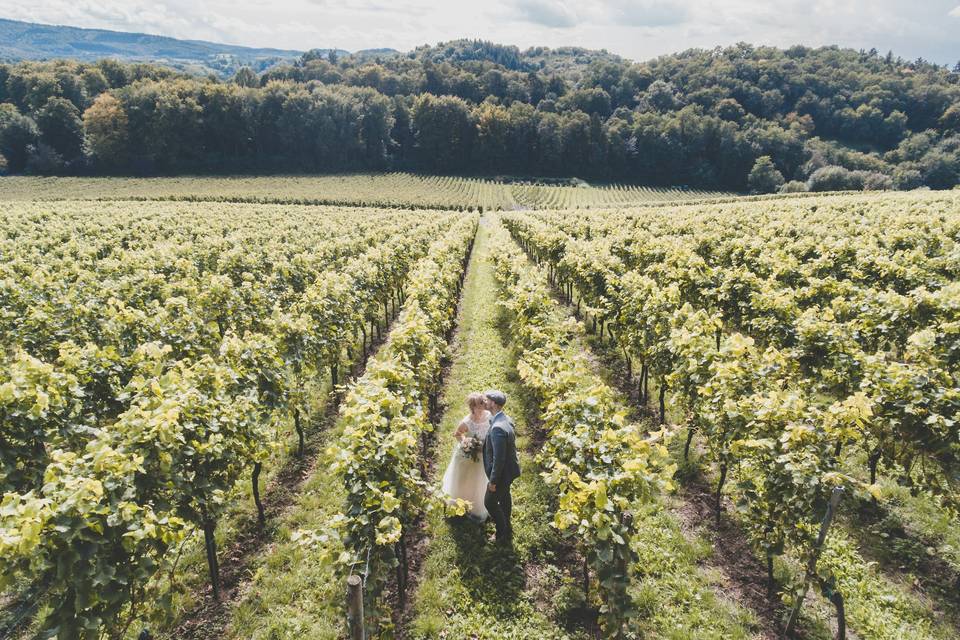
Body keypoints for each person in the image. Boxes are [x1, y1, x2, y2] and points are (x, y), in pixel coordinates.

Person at [441, 392, 491, 520]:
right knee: (465, 479)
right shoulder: (467, 421)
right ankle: (461, 502)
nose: (482, 408)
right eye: (479, 405)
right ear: (472, 407)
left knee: (479, 480)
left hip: (483, 454)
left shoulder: (489, 416)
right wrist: (466, 442)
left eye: (483, 404)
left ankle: (477, 506)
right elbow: (458, 433)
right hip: (469, 454)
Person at [482, 389, 521, 544]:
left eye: (487, 400)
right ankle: (507, 524)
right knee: (505, 496)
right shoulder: (505, 418)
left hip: (502, 473)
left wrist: (493, 481)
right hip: (510, 470)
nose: (485, 401)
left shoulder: (498, 428)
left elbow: (499, 459)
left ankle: (502, 532)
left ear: (494, 403)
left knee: (489, 502)